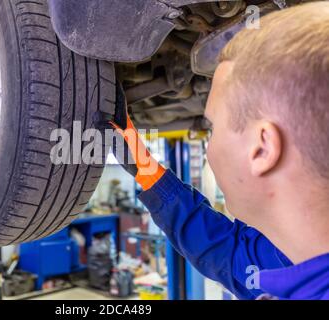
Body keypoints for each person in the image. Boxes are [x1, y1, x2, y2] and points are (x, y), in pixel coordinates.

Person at [102, 1, 329, 300]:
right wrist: (146, 170)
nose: (208, 148)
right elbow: (225, 250)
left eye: (213, 127)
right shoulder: (285, 256)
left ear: (262, 149)